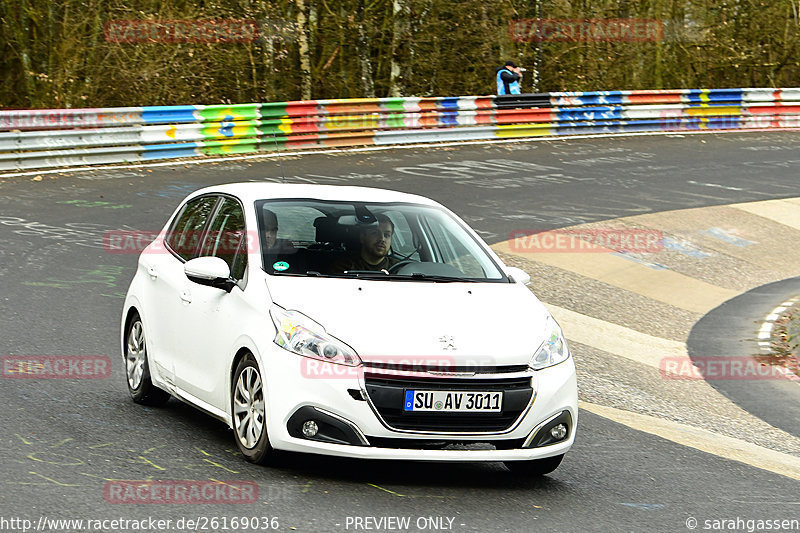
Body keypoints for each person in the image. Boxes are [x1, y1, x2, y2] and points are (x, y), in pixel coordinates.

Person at [331, 214, 399, 273]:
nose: (382, 239)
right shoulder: (344, 267)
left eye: (387, 235)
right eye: (375, 233)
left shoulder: (399, 268)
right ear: (362, 237)